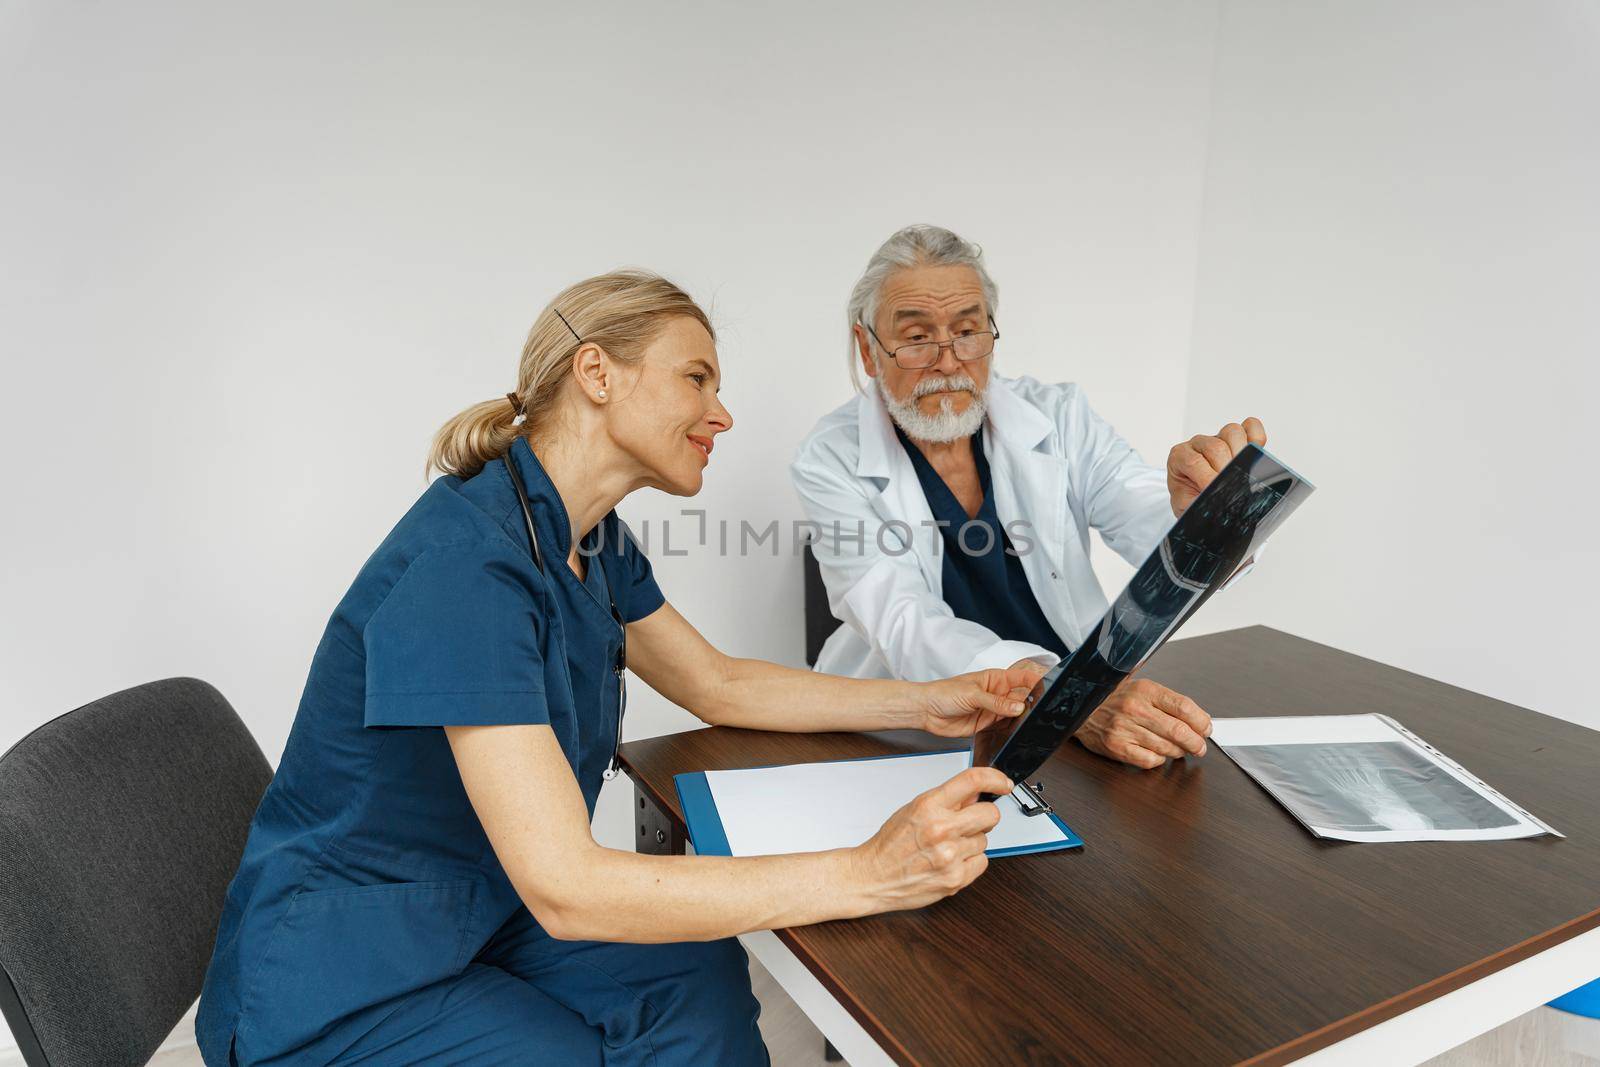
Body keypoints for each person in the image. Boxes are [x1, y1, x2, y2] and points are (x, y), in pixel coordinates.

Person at [195, 270, 1038, 1066]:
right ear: (596, 372)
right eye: (697, 378)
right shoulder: (466, 568)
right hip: (340, 974)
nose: (722, 414)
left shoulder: (582, 534)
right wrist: (867, 871)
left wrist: (930, 699)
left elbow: (717, 682)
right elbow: (566, 888)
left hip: (478, 906)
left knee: (693, 972)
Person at [791, 225, 1268, 771]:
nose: (948, 362)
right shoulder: (828, 457)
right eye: (917, 337)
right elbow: (905, 623)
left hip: (1074, 727)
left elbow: (1145, 519)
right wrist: (1064, 695)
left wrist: (1205, 514)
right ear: (868, 350)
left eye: (968, 331)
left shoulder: (1059, 416)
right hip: (913, 736)